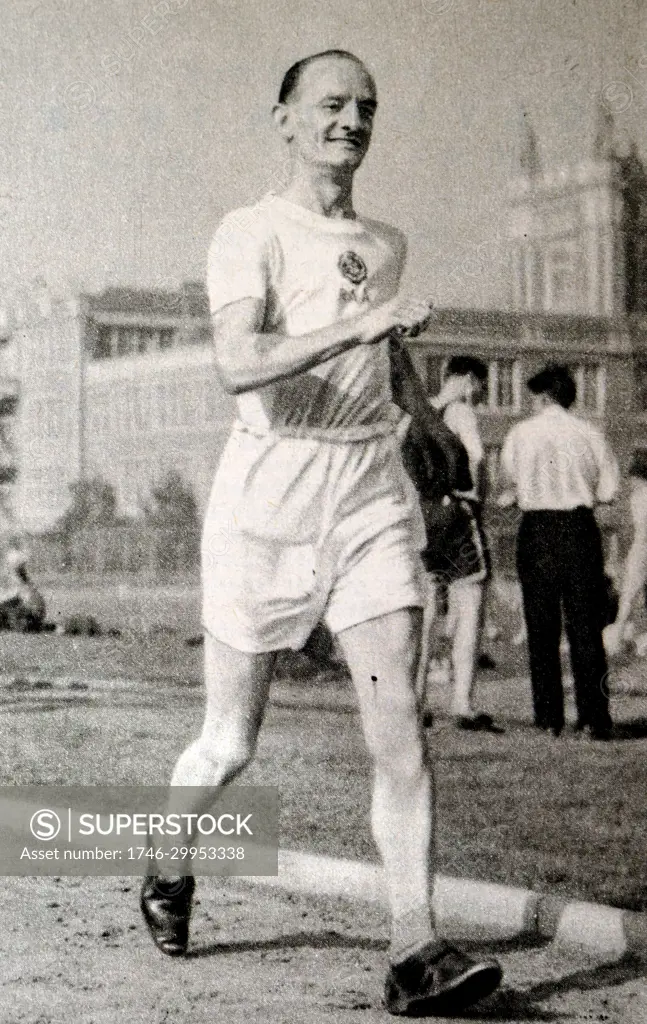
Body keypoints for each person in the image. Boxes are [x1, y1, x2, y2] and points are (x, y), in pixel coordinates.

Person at [139, 50, 502, 1016]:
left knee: (400, 739)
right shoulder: (246, 231)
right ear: (286, 120)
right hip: (267, 495)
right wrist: (362, 324)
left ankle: (412, 947)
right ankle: (168, 862)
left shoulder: (385, 241)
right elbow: (237, 360)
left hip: (366, 494)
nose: (351, 120)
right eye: (331, 104)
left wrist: (422, 422)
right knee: (229, 742)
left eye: (366, 107)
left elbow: (383, 352)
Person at [499, 363, 619, 740]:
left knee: (541, 628)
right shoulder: (590, 433)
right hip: (579, 530)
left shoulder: (520, 433)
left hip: (537, 531)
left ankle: (549, 717)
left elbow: (508, 488)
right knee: (586, 628)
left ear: (543, 396)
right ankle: (595, 717)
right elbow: (609, 491)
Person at [418, 356, 502, 732]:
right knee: (470, 609)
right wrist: (478, 499)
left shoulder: (421, 411)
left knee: (426, 614)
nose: (481, 394)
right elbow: (478, 458)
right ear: (469, 380)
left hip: (424, 518)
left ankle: (416, 701)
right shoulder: (461, 412)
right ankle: (462, 703)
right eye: (481, 386)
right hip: (459, 517)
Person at [603, 448, 647, 657]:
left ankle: (619, 636)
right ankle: (632, 636)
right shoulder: (638, 496)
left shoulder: (639, 496)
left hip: (641, 549)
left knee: (629, 597)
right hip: (640, 548)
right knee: (632, 596)